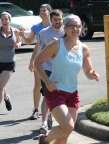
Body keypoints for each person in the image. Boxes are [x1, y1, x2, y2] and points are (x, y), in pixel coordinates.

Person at [34, 14, 100, 143]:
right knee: (68, 126)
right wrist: (47, 82)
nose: (75, 29)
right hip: (55, 92)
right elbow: (37, 62)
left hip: (72, 93)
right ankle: (45, 140)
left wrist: (92, 74)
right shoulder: (56, 45)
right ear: (65, 28)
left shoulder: (84, 48)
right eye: (72, 26)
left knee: (66, 132)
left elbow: (87, 71)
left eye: (78, 26)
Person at [33, 9, 65, 134]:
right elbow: (38, 49)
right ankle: (44, 123)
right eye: (55, 20)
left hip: (62, 69)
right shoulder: (43, 33)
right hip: (47, 69)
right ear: (50, 20)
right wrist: (33, 62)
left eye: (60, 19)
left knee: (62, 95)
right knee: (47, 95)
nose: (58, 22)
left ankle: (57, 116)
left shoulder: (67, 31)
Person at [19, 4, 52, 120]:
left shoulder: (54, 26)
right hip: (40, 61)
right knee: (38, 85)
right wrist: (22, 35)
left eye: (45, 11)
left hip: (52, 61)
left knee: (51, 85)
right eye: (40, 11)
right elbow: (29, 42)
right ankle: (36, 110)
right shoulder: (36, 27)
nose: (42, 13)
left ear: (49, 12)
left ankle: (52, 109)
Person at [0, 11, 21, 119]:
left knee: (1, 86)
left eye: (6, 19)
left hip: (9, 63)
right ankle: (6, 98)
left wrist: (18, 45)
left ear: (10, 20)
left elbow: (19, 42)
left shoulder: (15, 32)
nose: (4, 21)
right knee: (2, 86)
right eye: (2, 19)